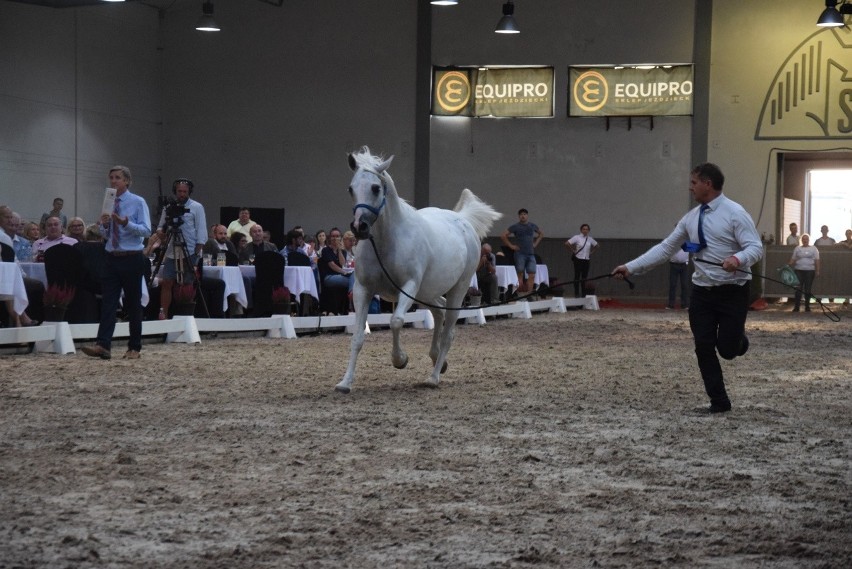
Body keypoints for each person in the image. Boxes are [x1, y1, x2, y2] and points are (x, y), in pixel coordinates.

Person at [612, 163, 763, 414]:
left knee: (727, 350)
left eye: (694, 182)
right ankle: (719, 402)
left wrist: (737, 259)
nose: (690, 187)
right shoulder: (690, 218)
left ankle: (737, 342)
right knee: (703, 346)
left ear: (708, 184)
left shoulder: (735, 213)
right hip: (702, 292)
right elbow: (665, 249)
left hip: (732, 290)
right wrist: (630, 267)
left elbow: (755, 248)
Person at [81, 165, 151, 360]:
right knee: (108, 302)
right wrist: (103, 226)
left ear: (127, 181)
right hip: (111, 256)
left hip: (131, 257)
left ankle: (134, 347)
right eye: (111, 177)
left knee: (133, 303)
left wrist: (125, 223)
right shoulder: (109, 202)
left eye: (117, 178)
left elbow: (146, 231)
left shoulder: (138, 202)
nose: (113, 181)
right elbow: (106, 234)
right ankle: (103, 345)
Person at [154, 178, 207, 319]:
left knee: (187, 284)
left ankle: (186, 314)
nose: (182, 194)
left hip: (189, 249)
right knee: (167, 281)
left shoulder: (197, 207)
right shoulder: (168, 207)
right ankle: (163, 313)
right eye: (179, 191)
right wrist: (160, 232)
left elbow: (201, 231)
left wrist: (197, 251)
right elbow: (160, 226)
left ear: (189, 192)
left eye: (184, 191)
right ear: (175, 191)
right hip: (171, 249)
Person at [501, 208, 543, 295]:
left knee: (532, 274)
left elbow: (541, 234)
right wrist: (511, 246)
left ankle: (528, 294)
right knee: (520, 273)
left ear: (527, 216)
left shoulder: (532, 225)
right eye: (521, 214)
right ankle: (520, 294)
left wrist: (535, 243)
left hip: (531, 254)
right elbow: (503, 235)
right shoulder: (515, 226)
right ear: (519, 216)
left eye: (524, 214)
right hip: (520, 254)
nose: (523, 216)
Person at [565, 223, 599, 298]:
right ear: (581, 230)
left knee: (584, 278)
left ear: (589, 230)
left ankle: (584, 294)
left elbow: (597, 245)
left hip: (586, 259)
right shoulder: (577, 237)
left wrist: (591, 252)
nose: (585, 231)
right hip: (578, 259)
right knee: (577, 276)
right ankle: (576, 293)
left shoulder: (590, 239)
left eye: (587, 229)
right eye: (584, 229)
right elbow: (567, 243)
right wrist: (573, 250)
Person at [788, 233, 820, 312]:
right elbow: (793, 259)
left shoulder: (814, 249)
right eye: (803, 239)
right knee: (798, 288)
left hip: (810, 270)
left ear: (808, 240)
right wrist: (788, 265)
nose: (805, 240)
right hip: (798, 270)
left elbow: (817, 260)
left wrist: (817, 270)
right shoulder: (797, 248)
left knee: (808, 289)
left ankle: (807, 306)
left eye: (806, 239)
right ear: (801, 240)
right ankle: (797, 306)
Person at [319, 227, 354, 294]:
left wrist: (339, 250)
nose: (335, 238)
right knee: (354, 282)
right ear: (330, 238)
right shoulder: (326, 250)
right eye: (333, 236)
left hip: (341, 276)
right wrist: (344, 272)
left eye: (337, 236)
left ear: (340, 238)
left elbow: (343, 264)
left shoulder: (343, 251)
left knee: (354, 275)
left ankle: (351, 294)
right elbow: (332, 265)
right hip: (329, 277)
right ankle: (351, 294)